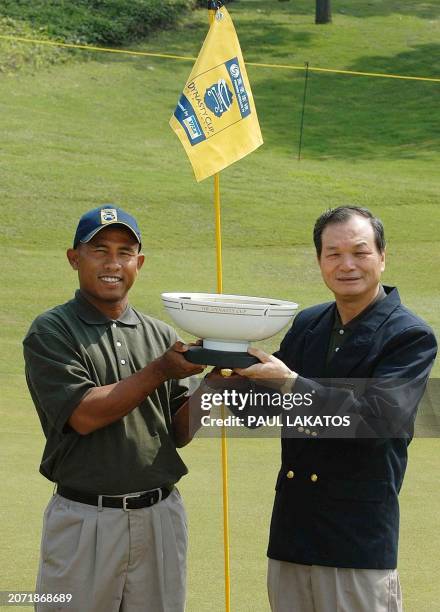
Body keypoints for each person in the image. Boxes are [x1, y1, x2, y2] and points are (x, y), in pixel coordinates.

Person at [234, 206, 437, 612]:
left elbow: (377, 421)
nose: (347, 264)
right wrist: (226, 362)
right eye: (333, 253)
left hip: (356, 543)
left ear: (382, 257)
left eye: (360, 252)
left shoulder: (409, 336)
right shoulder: (308, 325)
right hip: (292, 537)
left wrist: (290, 383)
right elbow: (256, 412)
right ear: (319, 261)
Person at [23, 205, 206, 612]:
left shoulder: (160, 333)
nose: (113, 263)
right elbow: (84, 415)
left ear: (138, 262)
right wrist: (160, 369)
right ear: (74, 259)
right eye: (99, 249)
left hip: (160, 517)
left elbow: (178, 431)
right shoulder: (52, 330)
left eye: (125, 252)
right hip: (85, 520)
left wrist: (217, 385)